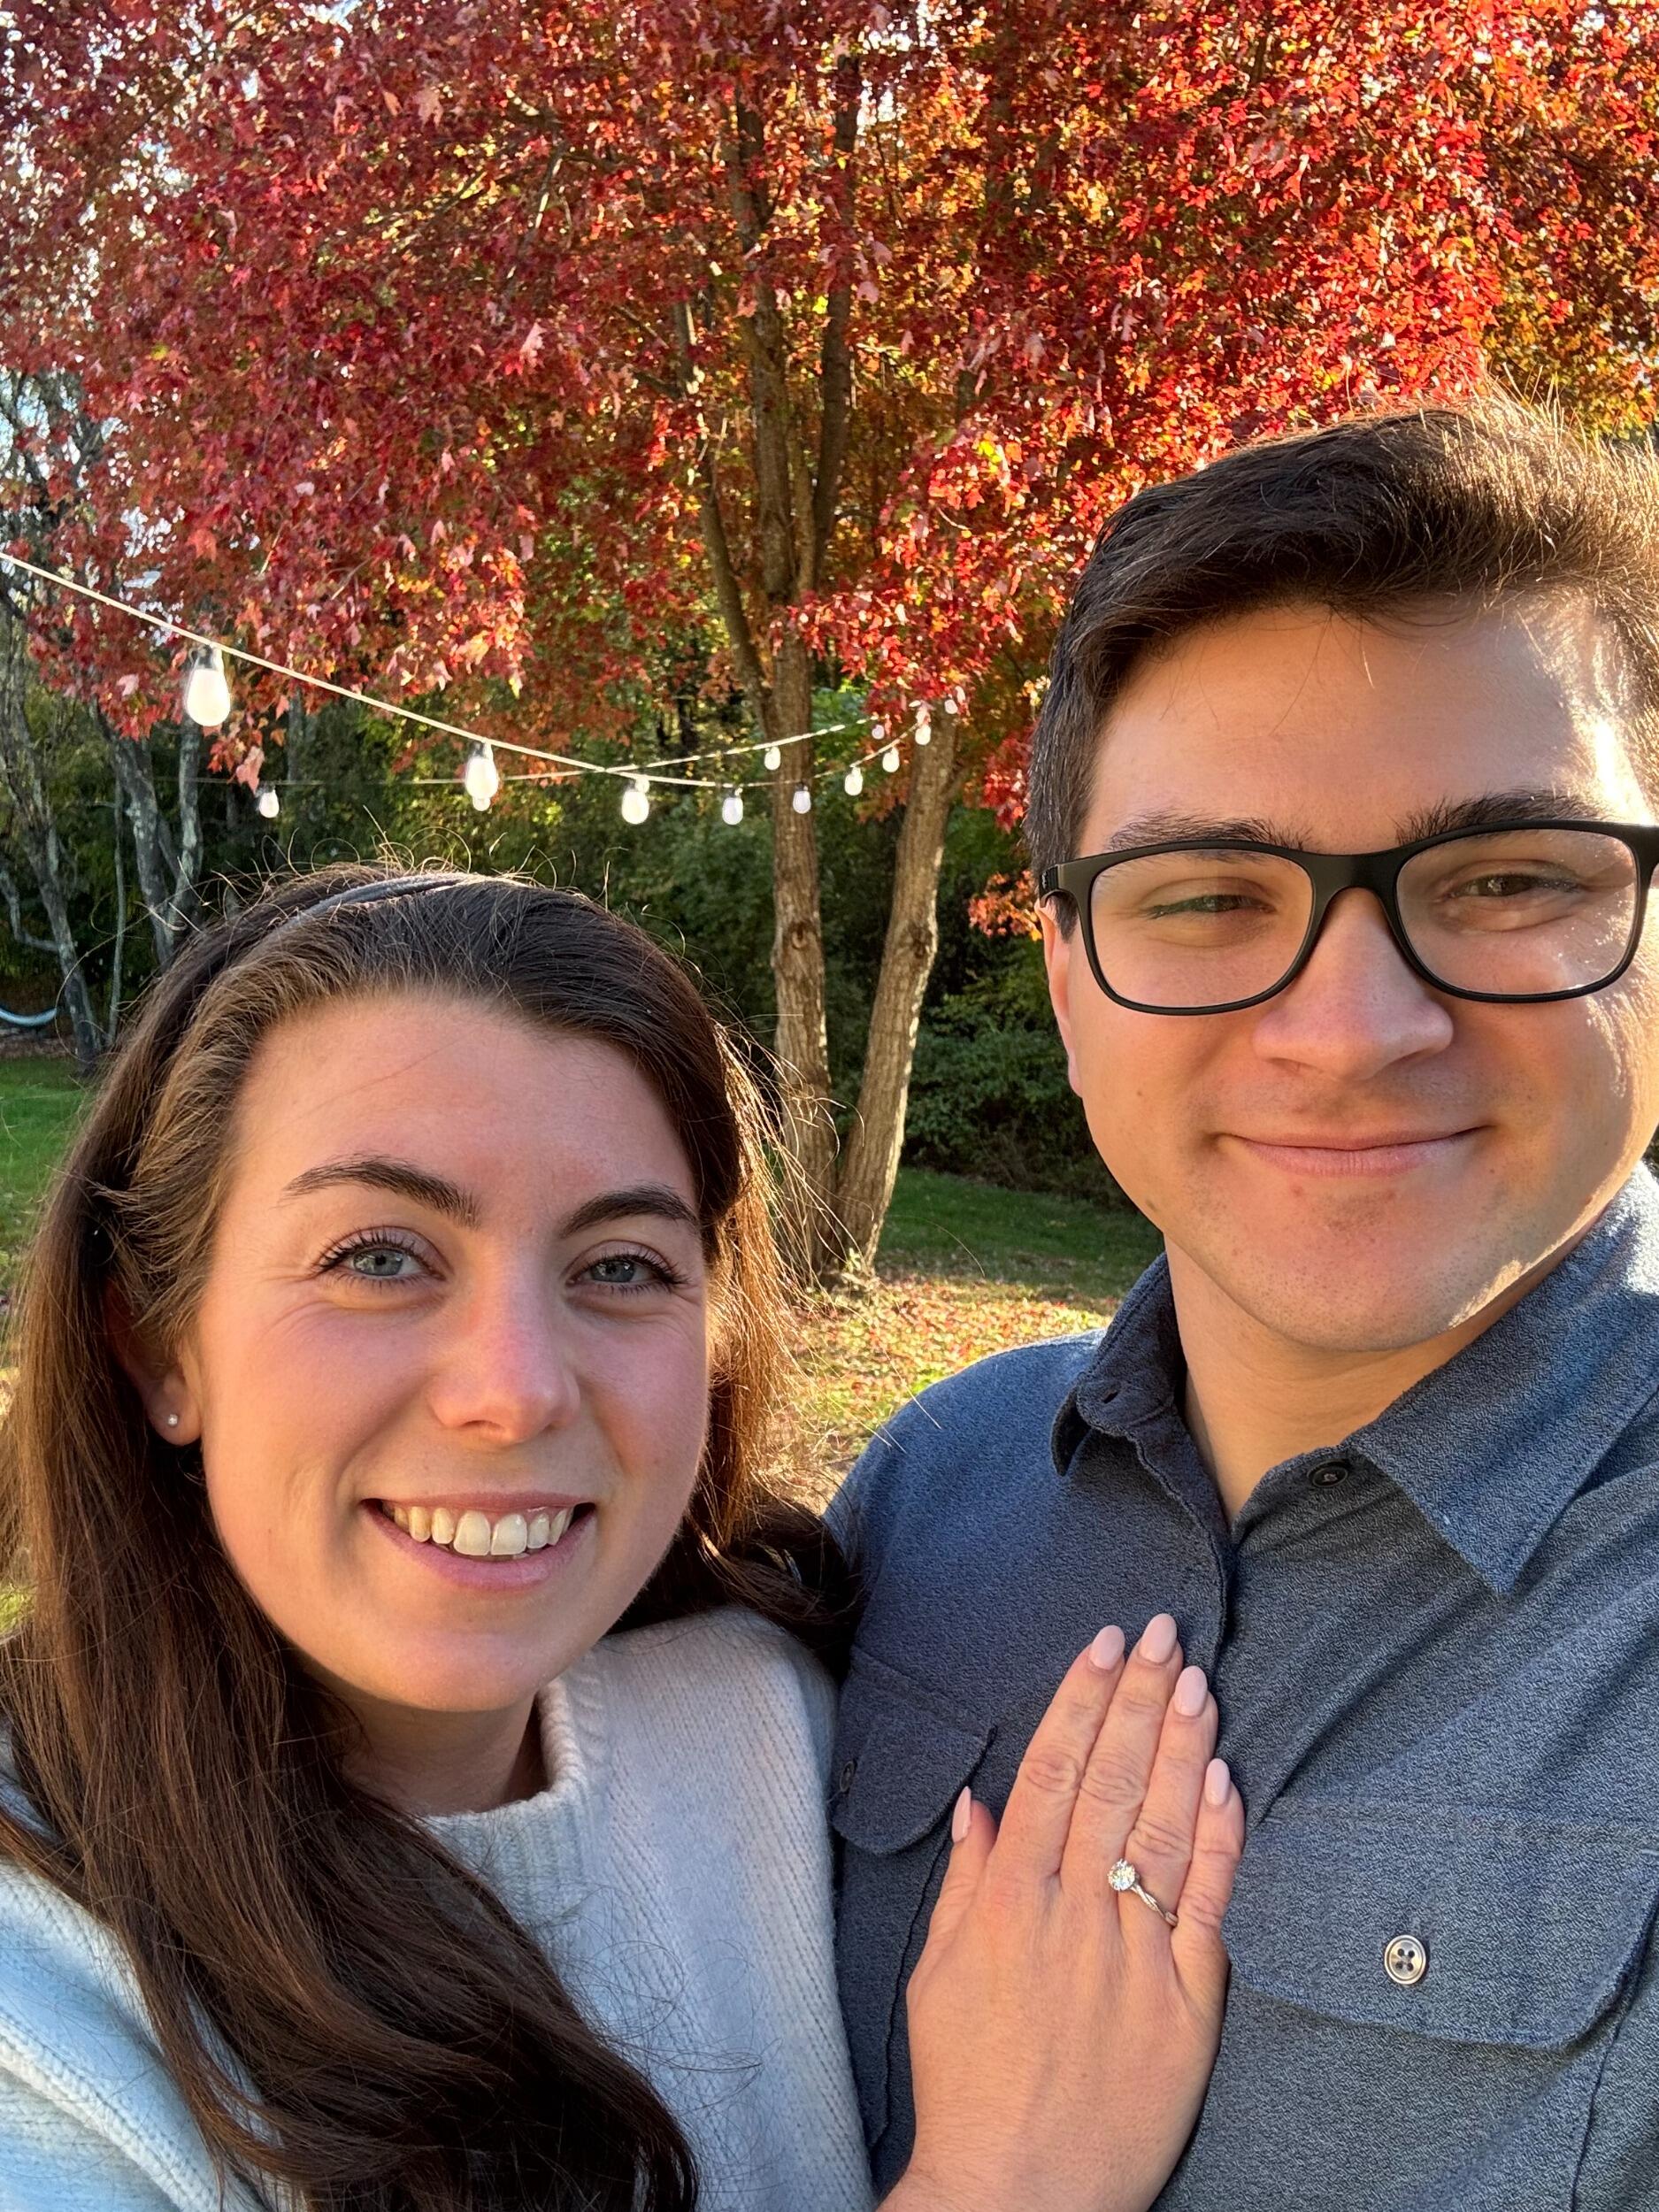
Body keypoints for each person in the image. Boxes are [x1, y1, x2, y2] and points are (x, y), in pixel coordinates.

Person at [0, 863, 1243, 2212]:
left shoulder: (756, 1718)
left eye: (619, 1268)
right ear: (156, 1344)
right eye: (379, 1257)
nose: (518, 1389)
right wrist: (1007, 2182)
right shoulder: (40, 2025)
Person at [830, 396, 1659, 2210]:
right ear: (1067, 985)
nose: (1352, 1032)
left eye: (1508, 878)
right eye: (1207, 897)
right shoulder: (923, 1492)